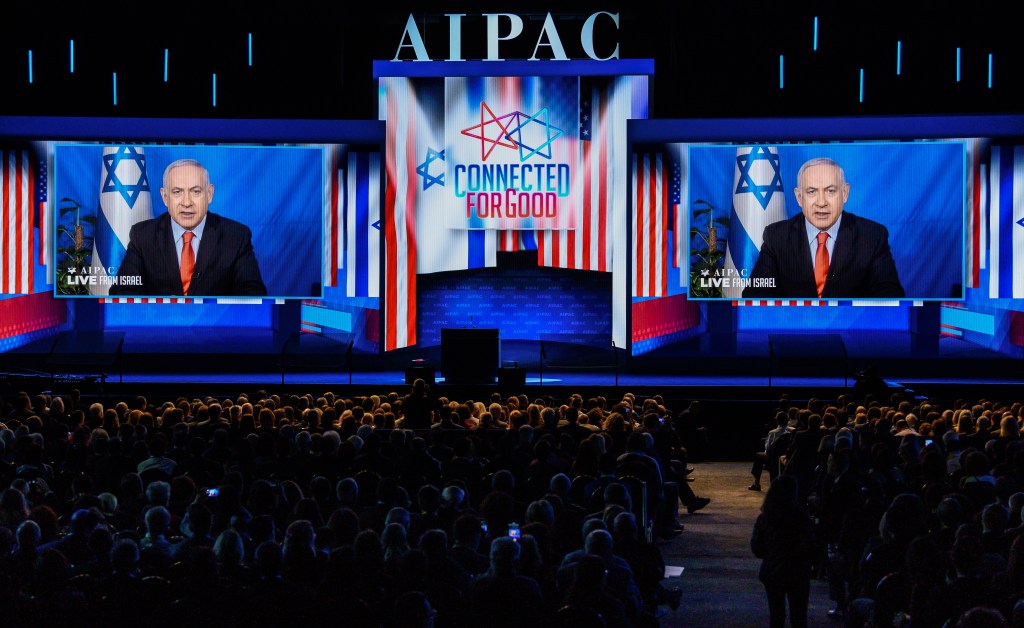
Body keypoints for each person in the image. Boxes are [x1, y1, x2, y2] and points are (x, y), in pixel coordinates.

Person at [742, 157, 904, 299]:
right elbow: (755, 294)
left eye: (830, 191)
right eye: (812, 191)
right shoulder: (776, 236)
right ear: (799, 197)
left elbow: (890, 295)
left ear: (845, 193)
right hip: (792, 329)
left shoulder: (872, 235)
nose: (821, 202)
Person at [110, 158, 267, 296]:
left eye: (195, 191)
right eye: (177, 192)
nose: (186, 202)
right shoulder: (143, 235)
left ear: (209, 194)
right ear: (165, 197)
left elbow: (252, 295)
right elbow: (123, 292)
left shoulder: (236, 236)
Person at [751, 474, 815, 628]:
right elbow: (812, 545)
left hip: (772, 570)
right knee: (799, 616)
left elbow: (757, 548)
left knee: (776, 616)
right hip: (798, 571)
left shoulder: (764, 518)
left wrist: (771, 554)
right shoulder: (801, 518)